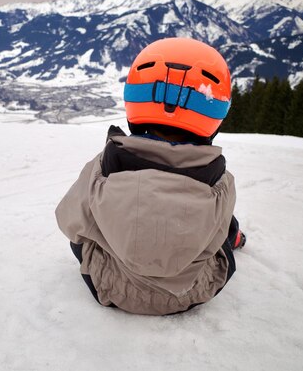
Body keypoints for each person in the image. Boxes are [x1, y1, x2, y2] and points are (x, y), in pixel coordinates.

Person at [55, 37, 245, 315]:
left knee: (84, 233)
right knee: (223, 226)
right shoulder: (220, 181)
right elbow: (215, 236)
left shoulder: (103, 169)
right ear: (215, 115)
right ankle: (237, 237)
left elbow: (69, 220)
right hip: (190, 292)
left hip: (111, 285)